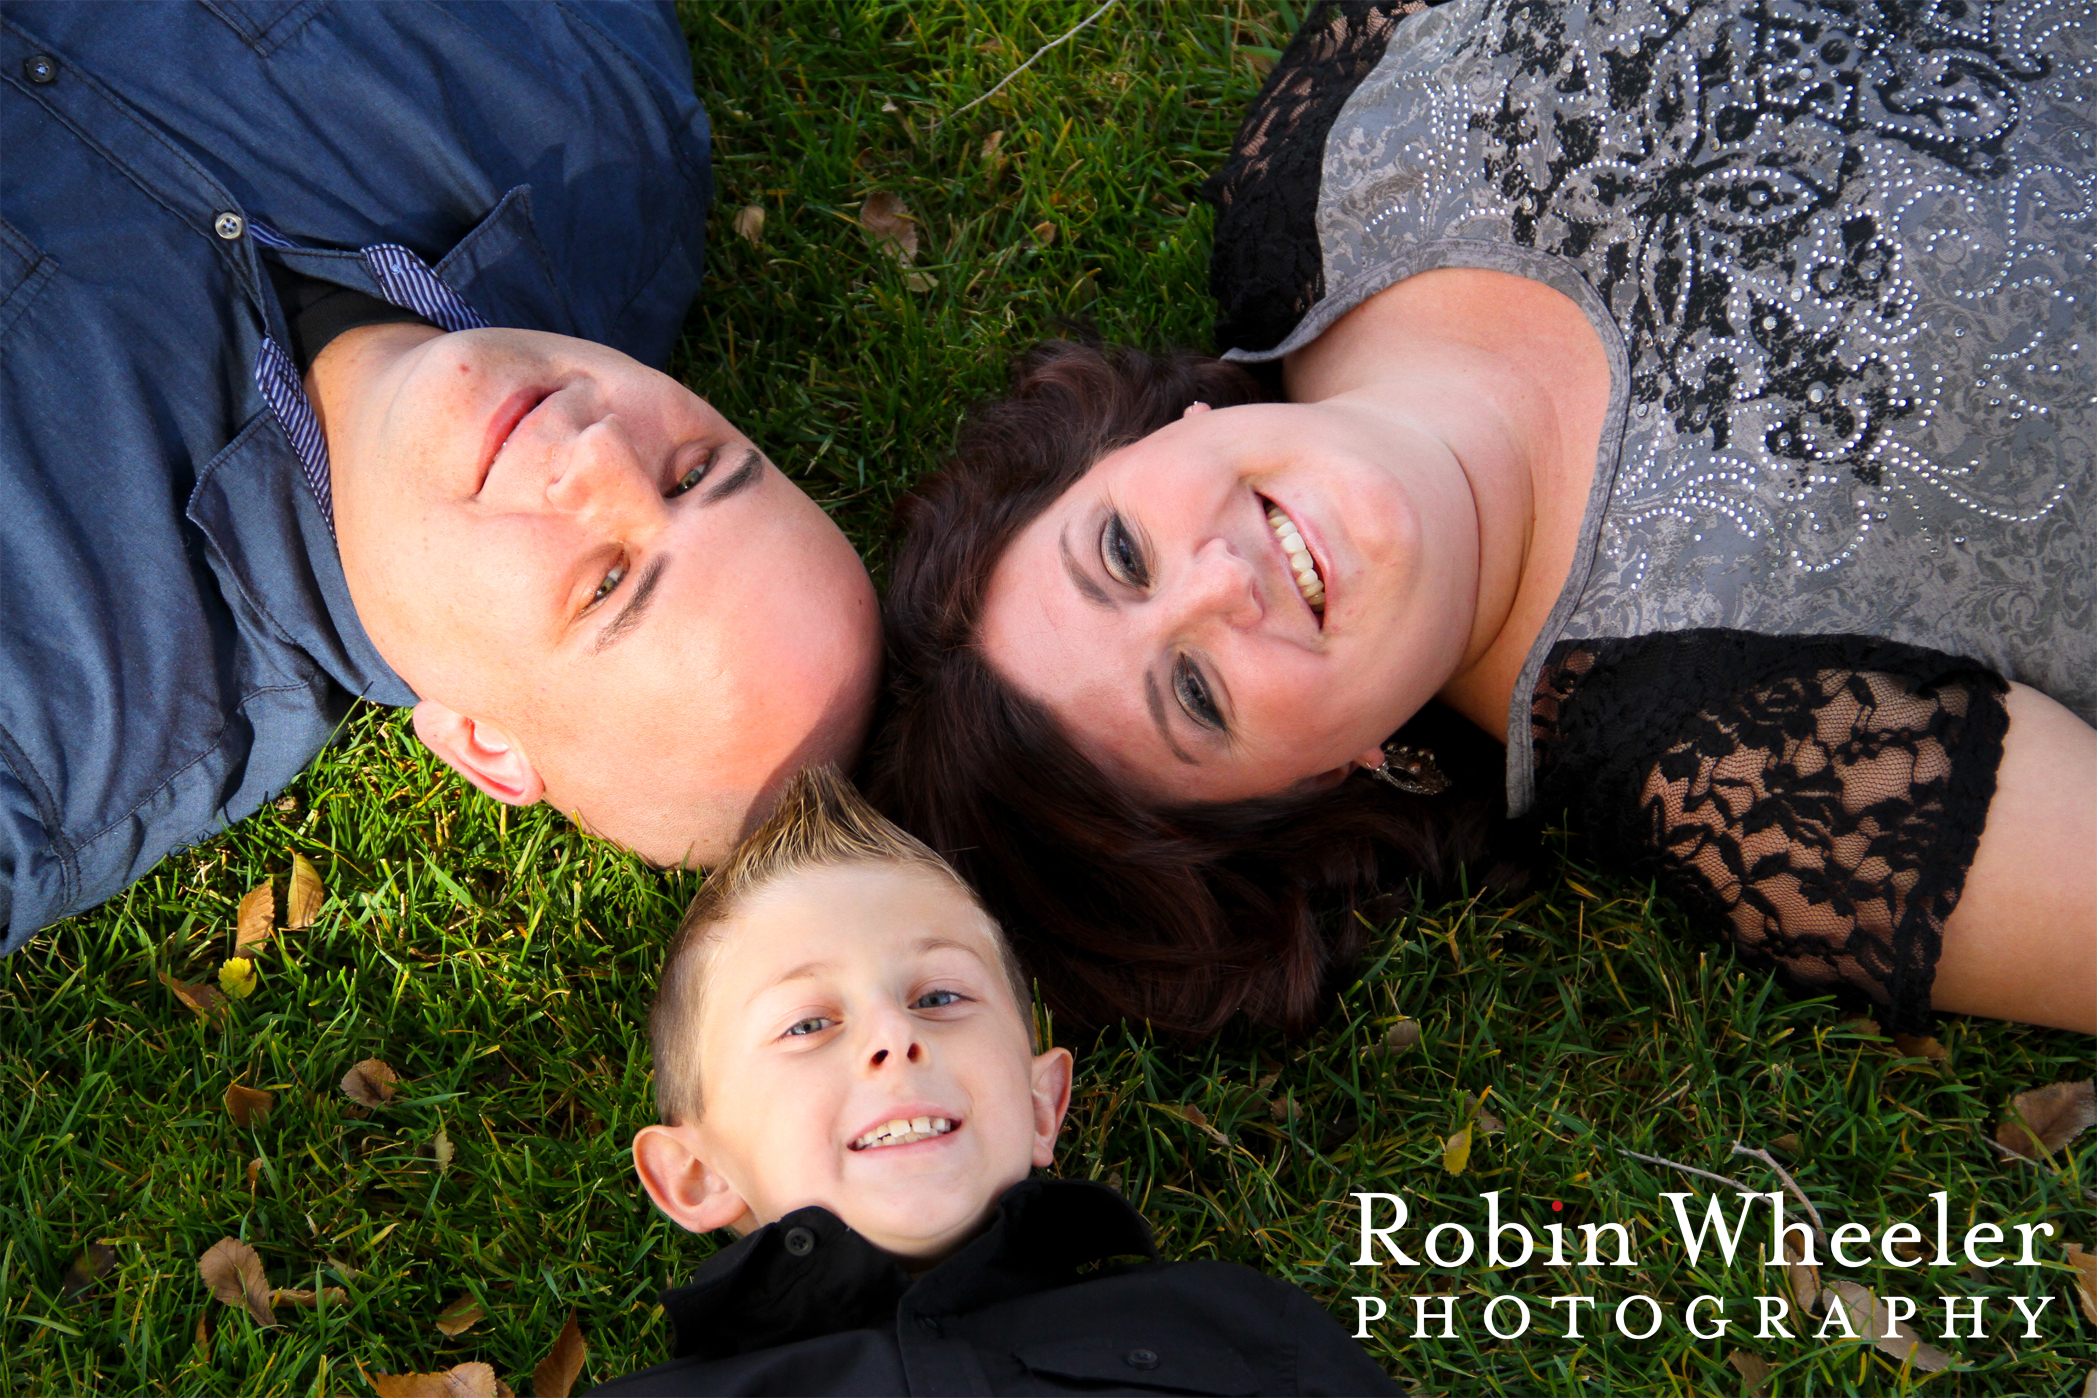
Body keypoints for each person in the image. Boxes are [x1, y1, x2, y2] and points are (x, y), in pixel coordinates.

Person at [868, 0, 2096, 1041]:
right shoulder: (1756, 765)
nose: (1218, 585)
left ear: (1143, 437)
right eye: (1196, 695)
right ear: (1329, 780)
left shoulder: (1314, 173)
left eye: (1121, 554)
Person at [0, 2, 881, 952]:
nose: (599, 454)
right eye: (696, 471)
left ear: (483, 742)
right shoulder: (592, 115)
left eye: (609, 585)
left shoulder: (56, 727)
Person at [606, 765, 1402, 1395]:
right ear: (696, 1174)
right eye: (809, 1024)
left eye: (940, 996)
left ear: (1040, 1105)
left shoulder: (1239, 1327)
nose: (895, 1036)